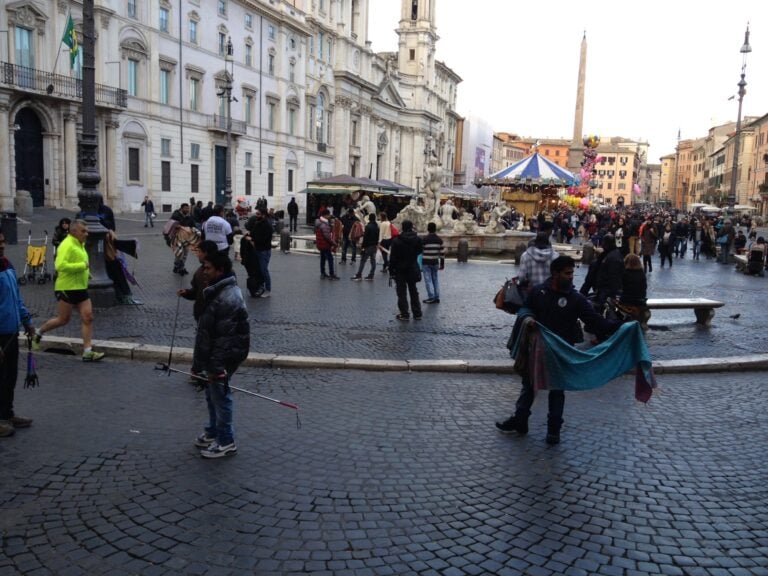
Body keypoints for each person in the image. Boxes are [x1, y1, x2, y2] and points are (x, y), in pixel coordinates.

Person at [495, 256, 619, 445]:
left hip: (562, 350)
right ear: (555, 273)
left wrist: (620, 326)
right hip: (538, 347)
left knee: (557, 389)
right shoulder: (538, 292)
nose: (571, 277)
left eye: (572, 273)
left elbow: (595, 322)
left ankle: (554, 430)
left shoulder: (576, 299)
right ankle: (520, 421)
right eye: (567, 273)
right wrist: (528, 319)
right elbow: (525, 310)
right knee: (529, 385)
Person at [192, 250, 250, 458]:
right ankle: (214, 430)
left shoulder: (228, 297)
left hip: (225, 355)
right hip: (217, 353)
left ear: (220, 270)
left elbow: (224, 338)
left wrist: (216, 367)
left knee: (220, 395)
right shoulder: (216, 290)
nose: (203, 272)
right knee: (211, 393)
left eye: (207, 268)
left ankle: (226, 440)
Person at [33, 220, 105, 362]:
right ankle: (38, 333)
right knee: (63, 320)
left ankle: (87, 352)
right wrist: (82, 266)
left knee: (88, 317)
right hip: (66, 288)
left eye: (86, 231)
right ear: (74, 232)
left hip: (81, 287)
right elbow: (60, 265)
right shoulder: (66, 245)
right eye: (83, 231)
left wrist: (87, 272)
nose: (87, 233)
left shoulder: (80, 244)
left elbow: (81, 263)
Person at [0, 227, 36, 437]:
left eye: (3, 241)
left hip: (12, 331)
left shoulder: (8, 266)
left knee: (10, 376)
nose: (2, 245)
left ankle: (7, 413)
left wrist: (27, 321)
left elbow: (16, 298)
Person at [388, 219, 423, 321]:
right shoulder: (418, 239)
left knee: (401, 293)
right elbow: (419, 251)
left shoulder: (396, 241)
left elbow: (393, 257)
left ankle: (404, 313)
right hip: (412, 267)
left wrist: (391, 270)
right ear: (411, 227)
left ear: (402, 227)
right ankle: (417, 313)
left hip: (400, 269)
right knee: (413, 291)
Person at [178, 240, 220, 321]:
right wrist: (186, 293)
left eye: (200, 252)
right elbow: (197, 292)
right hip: (202, 317)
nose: (198, 255)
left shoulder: (221, 271)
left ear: (206, 253)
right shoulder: (199, 271)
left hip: (216, 317)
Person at [245, 209, 273, 297]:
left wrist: (252, 239)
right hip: (258, 249)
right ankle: (261, 287)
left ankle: (268, 290)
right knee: (259, 270)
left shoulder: (267, 225)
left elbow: (265, 239)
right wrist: (249, 234)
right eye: (256, 213)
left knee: (264, 270)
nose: (256, 215)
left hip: (264, 250)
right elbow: (254, 233)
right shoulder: (258, 223)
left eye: (258, 214)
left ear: (263, 215)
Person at [421, 222, 445, 304]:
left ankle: (431, 297)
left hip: (426, 262)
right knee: (435, 279)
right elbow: (442, 253)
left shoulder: (424, 239)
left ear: (428, 229)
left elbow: (421, 251)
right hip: (435, 262)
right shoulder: (439, 240)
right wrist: (442, 264)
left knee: (428, 280)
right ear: (435, 229)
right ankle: (437, 296)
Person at [351, 213, 379, 281]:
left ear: (369, 218)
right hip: (374, 246)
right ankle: (371, 275)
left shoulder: (368, 226)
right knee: (373, 261)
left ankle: (359, 275)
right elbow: (377, 237)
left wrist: (363, 247)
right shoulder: (377, 227)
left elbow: (365, 238)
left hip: (368, 246)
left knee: (363, 261)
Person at [314, 208, 340, 279]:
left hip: (320, 244)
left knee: (322, 259)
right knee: (330, 259)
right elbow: (327, 237)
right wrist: (334, 243)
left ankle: (323, 273)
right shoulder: (324, 225)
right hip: (325, 244)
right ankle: (331, 274)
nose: (329, 216)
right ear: (325, 215)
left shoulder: (318, 222)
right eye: (328, 215)